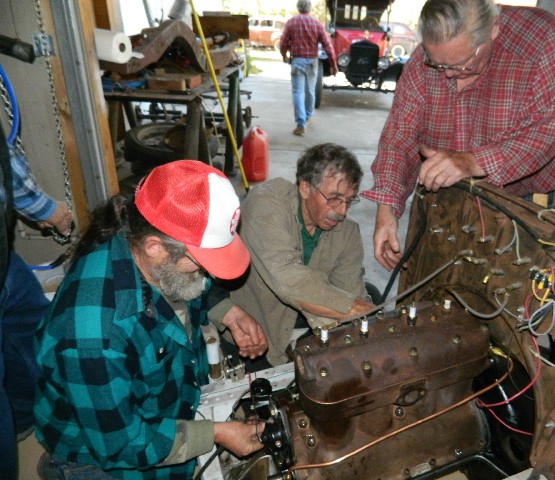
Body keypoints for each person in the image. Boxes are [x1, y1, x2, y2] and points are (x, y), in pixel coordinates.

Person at [34, 160, 267, 480]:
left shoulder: (147, 245)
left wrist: (225, 310)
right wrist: (215, 433)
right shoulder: (91, 335)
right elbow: (121, 445)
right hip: (102, 458)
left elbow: (193, 287)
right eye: (201, 263)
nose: (208, 275)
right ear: (155, 247)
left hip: (163, 411)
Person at [361, 0, 555, 271]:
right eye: (438, 65)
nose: (450, 76)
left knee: (510, 288)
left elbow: (549, 129)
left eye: (462, 65)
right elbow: (399, 138)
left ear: (493, 29)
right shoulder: (425, 59)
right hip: (446, 192)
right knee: (433, 282)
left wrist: (474, 161)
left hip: (521, 196)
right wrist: (386, 208)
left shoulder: (539, 39)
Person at [230, 143, 374, 368]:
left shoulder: (348, 231)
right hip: (254, 330)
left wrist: (364, 317)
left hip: (304, 326)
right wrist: (354, 309)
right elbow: (288, 278)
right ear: (305, 188)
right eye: (334, 198)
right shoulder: (267, 203)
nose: (342, 211)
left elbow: (351, 291)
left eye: (349, 200)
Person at [0, 125, 73, 480]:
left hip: (4, 264)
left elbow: (5, 161)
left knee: (29, 319)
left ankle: (26, 418)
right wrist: (52, 211)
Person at [280, 0, 338, 136]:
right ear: (309, 8)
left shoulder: (291, 22)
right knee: (310, 91)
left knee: (297, 92)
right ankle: (308, 117)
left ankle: (301, 123)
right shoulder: (317, 24)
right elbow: (327, 46)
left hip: (297, 61)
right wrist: (333, 64)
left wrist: (284, 55)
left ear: (298, 8)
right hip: (312, 62)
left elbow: (283, 43)